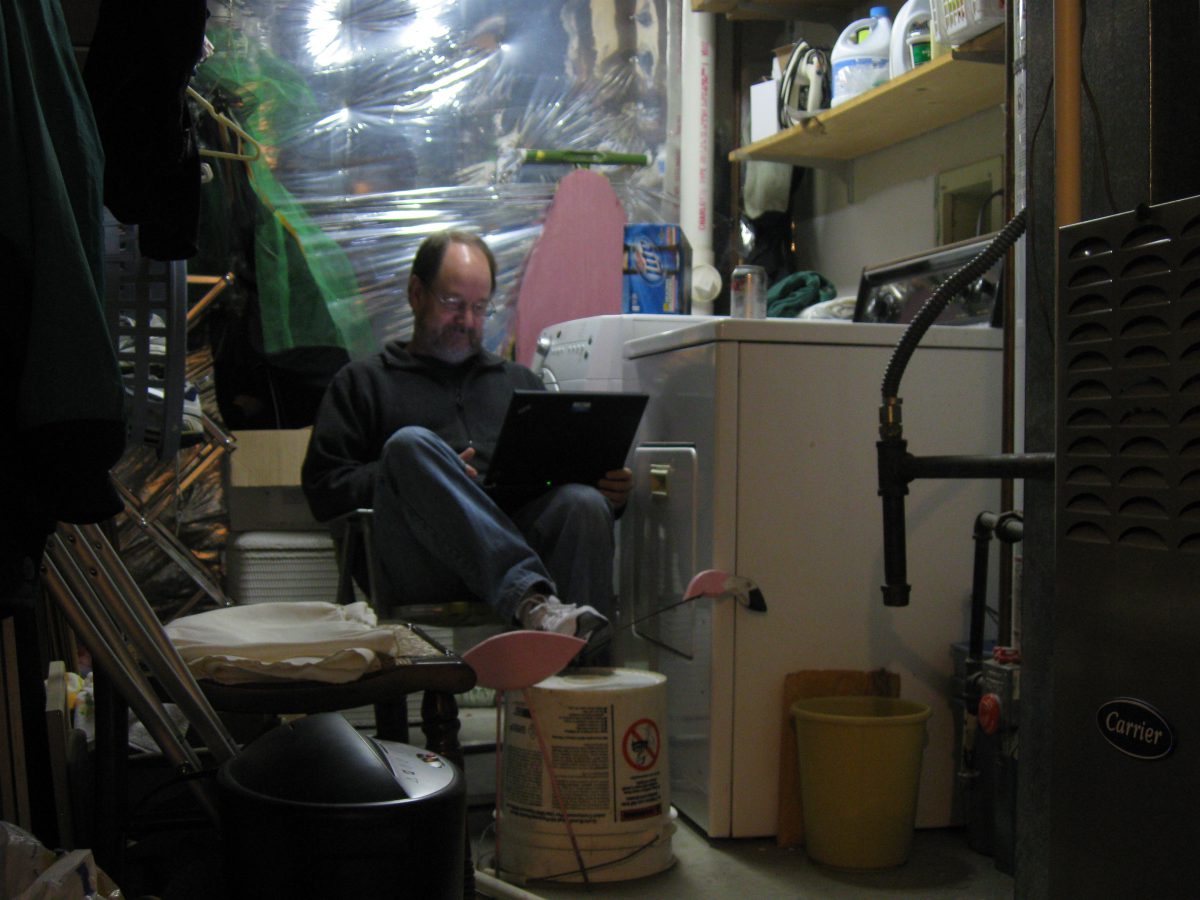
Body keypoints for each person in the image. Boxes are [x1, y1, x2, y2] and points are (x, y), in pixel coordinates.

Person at [301, 229, 631, 655]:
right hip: (418, 561)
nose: (468, 322)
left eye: (480, 308)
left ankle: (580, 702)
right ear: (416, 293)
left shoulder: (517, 382)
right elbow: (323, 490)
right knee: (409, 446)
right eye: (453, 304)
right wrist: (413, 475)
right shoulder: (363, 382)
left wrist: (611, 493)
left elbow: (558, 481)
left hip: (520, 550)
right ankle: (529, 598)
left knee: (583, 504)